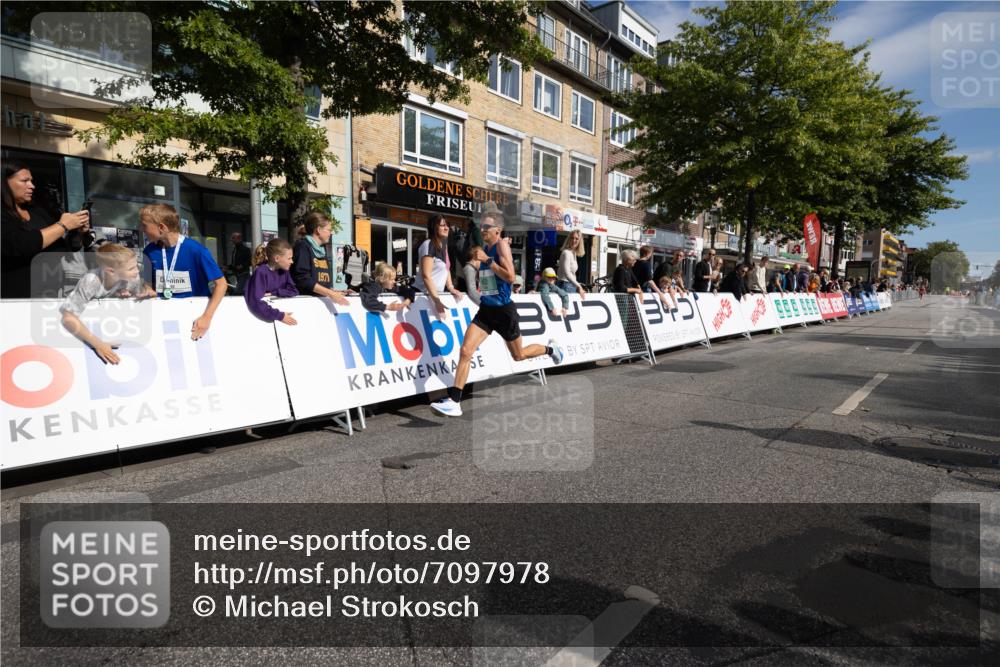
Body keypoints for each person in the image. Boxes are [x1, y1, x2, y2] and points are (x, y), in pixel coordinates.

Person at [431, 212, 563, 417]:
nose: (482, 230)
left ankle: (550, 349)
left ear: (497, 231)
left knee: (518, 355)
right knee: (466, 351)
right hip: (487, 309)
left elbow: (510, 277)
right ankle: (455, 401)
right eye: (481, 227)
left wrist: (488, 261)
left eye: (486, 227)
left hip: (503, 311)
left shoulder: (501, 245)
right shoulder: (485, 248)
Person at [2, 161, 91, 298]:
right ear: (4, 182)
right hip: (15, 298)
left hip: (49, 295)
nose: (32, 186)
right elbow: (19, 244)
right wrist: (63, 225)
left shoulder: (38, 212)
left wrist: (78, 232)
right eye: (25, 181)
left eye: (31, 181)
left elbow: (63, 246)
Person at [140, 203, 227, 340]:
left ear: (162, 227)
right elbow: (148, 285)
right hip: (163, 320)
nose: (142, 229)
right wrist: (147, 290)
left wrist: (207, 317)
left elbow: (221, 284)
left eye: (145, 225)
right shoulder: (149, 251)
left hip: (194, 320)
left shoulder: (197, 251)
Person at [60, 243, 154, 365]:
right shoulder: (91, 281)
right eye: (131, 268)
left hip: (113, 328)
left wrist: (146, 291)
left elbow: (142, 291)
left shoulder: (132, 277)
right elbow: (68, 318)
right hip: (89, 333)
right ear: (110, 271)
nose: (136, 271)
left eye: (137, 266)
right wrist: (98, 344)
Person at [291, 211, 350, 306]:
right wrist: (330, 294)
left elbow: (321, 282)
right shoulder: (303, 247)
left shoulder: (322, 249)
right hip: (305, 304)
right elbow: (303, 279)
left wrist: (336, 292)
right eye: (329, 230)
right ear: (318, 230)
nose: (331, 233)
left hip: (320, 302)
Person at [415, 213, 464, 318]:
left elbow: (447, 268)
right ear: (434, 227)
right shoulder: (429, 244)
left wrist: (451, 287)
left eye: (447, 225)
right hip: (422, 297)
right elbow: (426, 275)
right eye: (442, 225)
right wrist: (437, 301)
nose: (446, 228)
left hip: (434, 297)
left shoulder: (443, 245)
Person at [244, 238, 299, 324]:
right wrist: (280, 316)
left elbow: (294, 291)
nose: (292, 261)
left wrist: (274, 293)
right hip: (263, 323)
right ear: (277, 258)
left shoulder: (284, 271)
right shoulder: (261, 272)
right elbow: (255, 302)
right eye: (289, 258)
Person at [557, 229, 588, 299]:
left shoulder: (573, 253)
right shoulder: (566, 253)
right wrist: (578, 286)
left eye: (576, 238)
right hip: (565, 285)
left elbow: (572, 275)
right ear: (569, 239)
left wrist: (576, 285)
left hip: (570, 285)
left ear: (580, 241)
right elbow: (567, 274)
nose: (574, 240)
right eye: (572, 238)